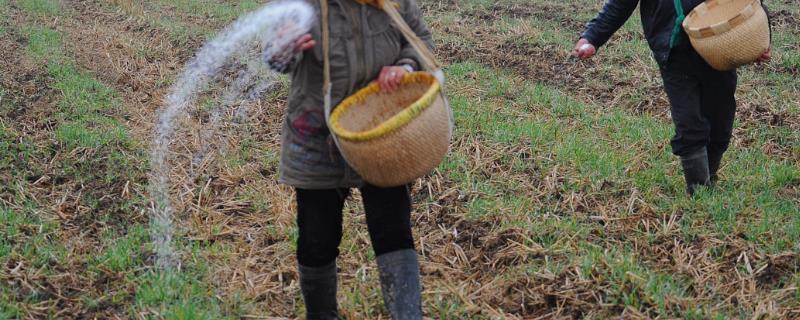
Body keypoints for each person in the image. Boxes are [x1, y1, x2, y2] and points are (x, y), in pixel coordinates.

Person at [265, 0, 433, 318]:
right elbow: (275, 58)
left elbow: (420, 40)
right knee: (317, 238)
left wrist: (406, 66)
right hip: (316, 139)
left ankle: (407, 315)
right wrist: (282, 48)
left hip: (381, 133)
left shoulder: (395, 2)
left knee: (393, 230)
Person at [572, 0, 771, 195]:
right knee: (689, 122)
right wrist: (592, 37)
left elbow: (749, 4)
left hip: (719, 46)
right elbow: (620, 4)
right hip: (674, 53)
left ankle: (709, 176)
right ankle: (699, 189)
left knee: (720, 121)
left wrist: (758, 37)